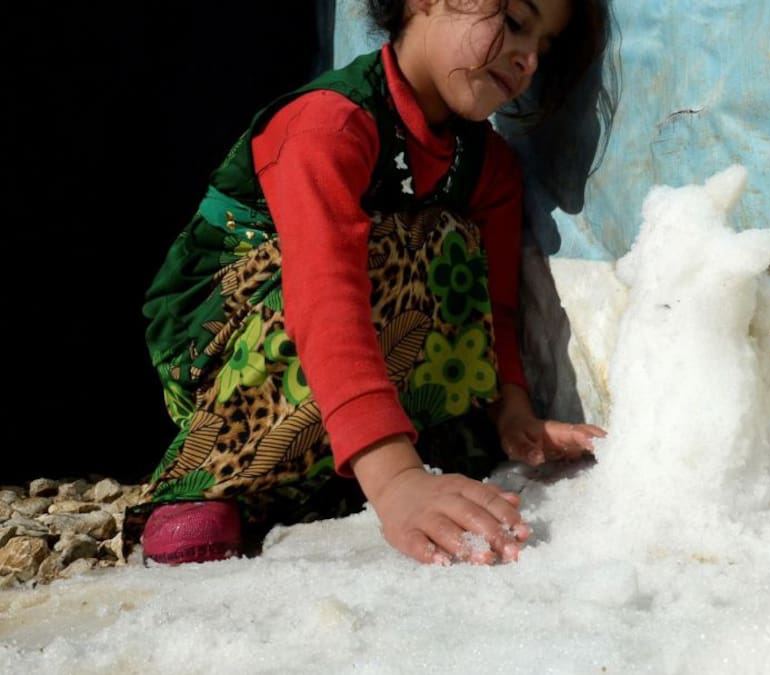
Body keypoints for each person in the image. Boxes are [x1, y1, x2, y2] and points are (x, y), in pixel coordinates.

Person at [127, 0, 610, 568]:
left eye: (544, 48)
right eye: (514, 23)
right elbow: (325, 294)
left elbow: (494, 309)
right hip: (225, 343)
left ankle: (316, 477)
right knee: (399, 243)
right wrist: (398, 479)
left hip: (352, 353)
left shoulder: (490, 168)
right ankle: (206, 481)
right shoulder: (329, 123)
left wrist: (515, 414)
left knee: (452, 264)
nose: (527, 59)